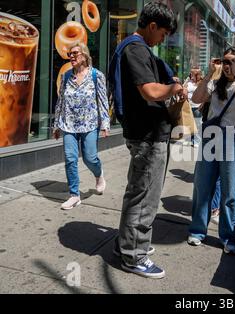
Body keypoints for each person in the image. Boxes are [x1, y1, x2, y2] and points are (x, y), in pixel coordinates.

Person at [110, 2, 185, 279]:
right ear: (152, 26)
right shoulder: (135, 48)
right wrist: (174, 88)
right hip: (147, 136)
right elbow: (150, 90)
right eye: (163, 33)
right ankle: (134, 256)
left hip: (144, 134)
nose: (163, 39)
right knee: (145, 198)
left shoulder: (133, 48)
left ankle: (125, 244)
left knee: (136, 193)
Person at [188, 47, 235, 254]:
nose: (226, 65)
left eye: (231, 61)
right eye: (224, 61)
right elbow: (197, 99)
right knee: (202, 186)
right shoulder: (215, 84)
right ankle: (198, 230)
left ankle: (228, 237)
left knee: (229, 192)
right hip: (211, 139)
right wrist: (210, 73)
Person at [53, 43, 110, 210]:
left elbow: (103, 100)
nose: (71, 56)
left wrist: (105, 123)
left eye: (75, 53)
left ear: (84, 55)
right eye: (70, 54)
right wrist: (56, 125)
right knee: (70, 159)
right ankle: (74, 195)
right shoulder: (65, 76)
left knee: (89, 158)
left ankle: (99, 175)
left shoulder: (96, 75)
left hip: (89, 123)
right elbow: (61, 101)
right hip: (68, 124)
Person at [184, 67, 203, 147]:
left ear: (197, 75)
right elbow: (183, 88)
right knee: (189, 124)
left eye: (193, 74)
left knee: (197, 124)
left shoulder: (202, 83)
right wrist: (187, 80)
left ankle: (196, 140)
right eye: (190, 73)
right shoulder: (188, 82)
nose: (191, 75)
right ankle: (189, 139)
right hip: (189, 106)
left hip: (197, 106)